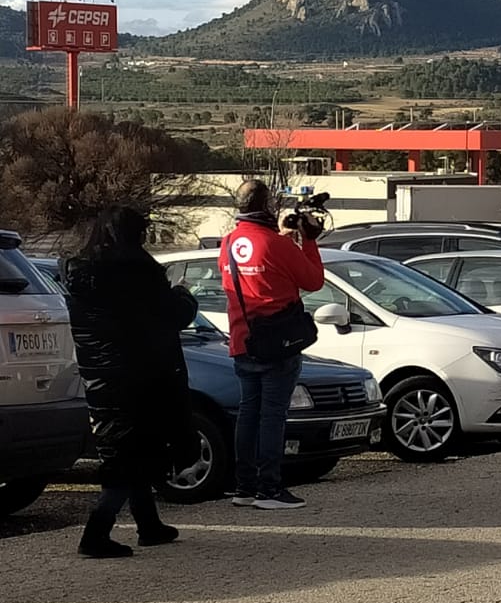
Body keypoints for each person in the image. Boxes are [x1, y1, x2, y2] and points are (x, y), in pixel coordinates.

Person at [61, 206, 201, 559]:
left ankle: (148, 524)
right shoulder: (135, 273)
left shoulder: (79, 273)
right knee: (132, 458)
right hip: (142, 375)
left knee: (129, 450)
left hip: (102, 379)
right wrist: (184, 295)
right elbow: (174, 314)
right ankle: (96, 532)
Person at [221, 179, 325, 510]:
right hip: (277, 343)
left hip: (242, 338)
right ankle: (270, 488)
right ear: (267, 206)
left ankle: (244, 487)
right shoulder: (275, 245)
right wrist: (308, 241)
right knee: (272, 416)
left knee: (248, 413)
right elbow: (313, 280)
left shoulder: (228, 243)